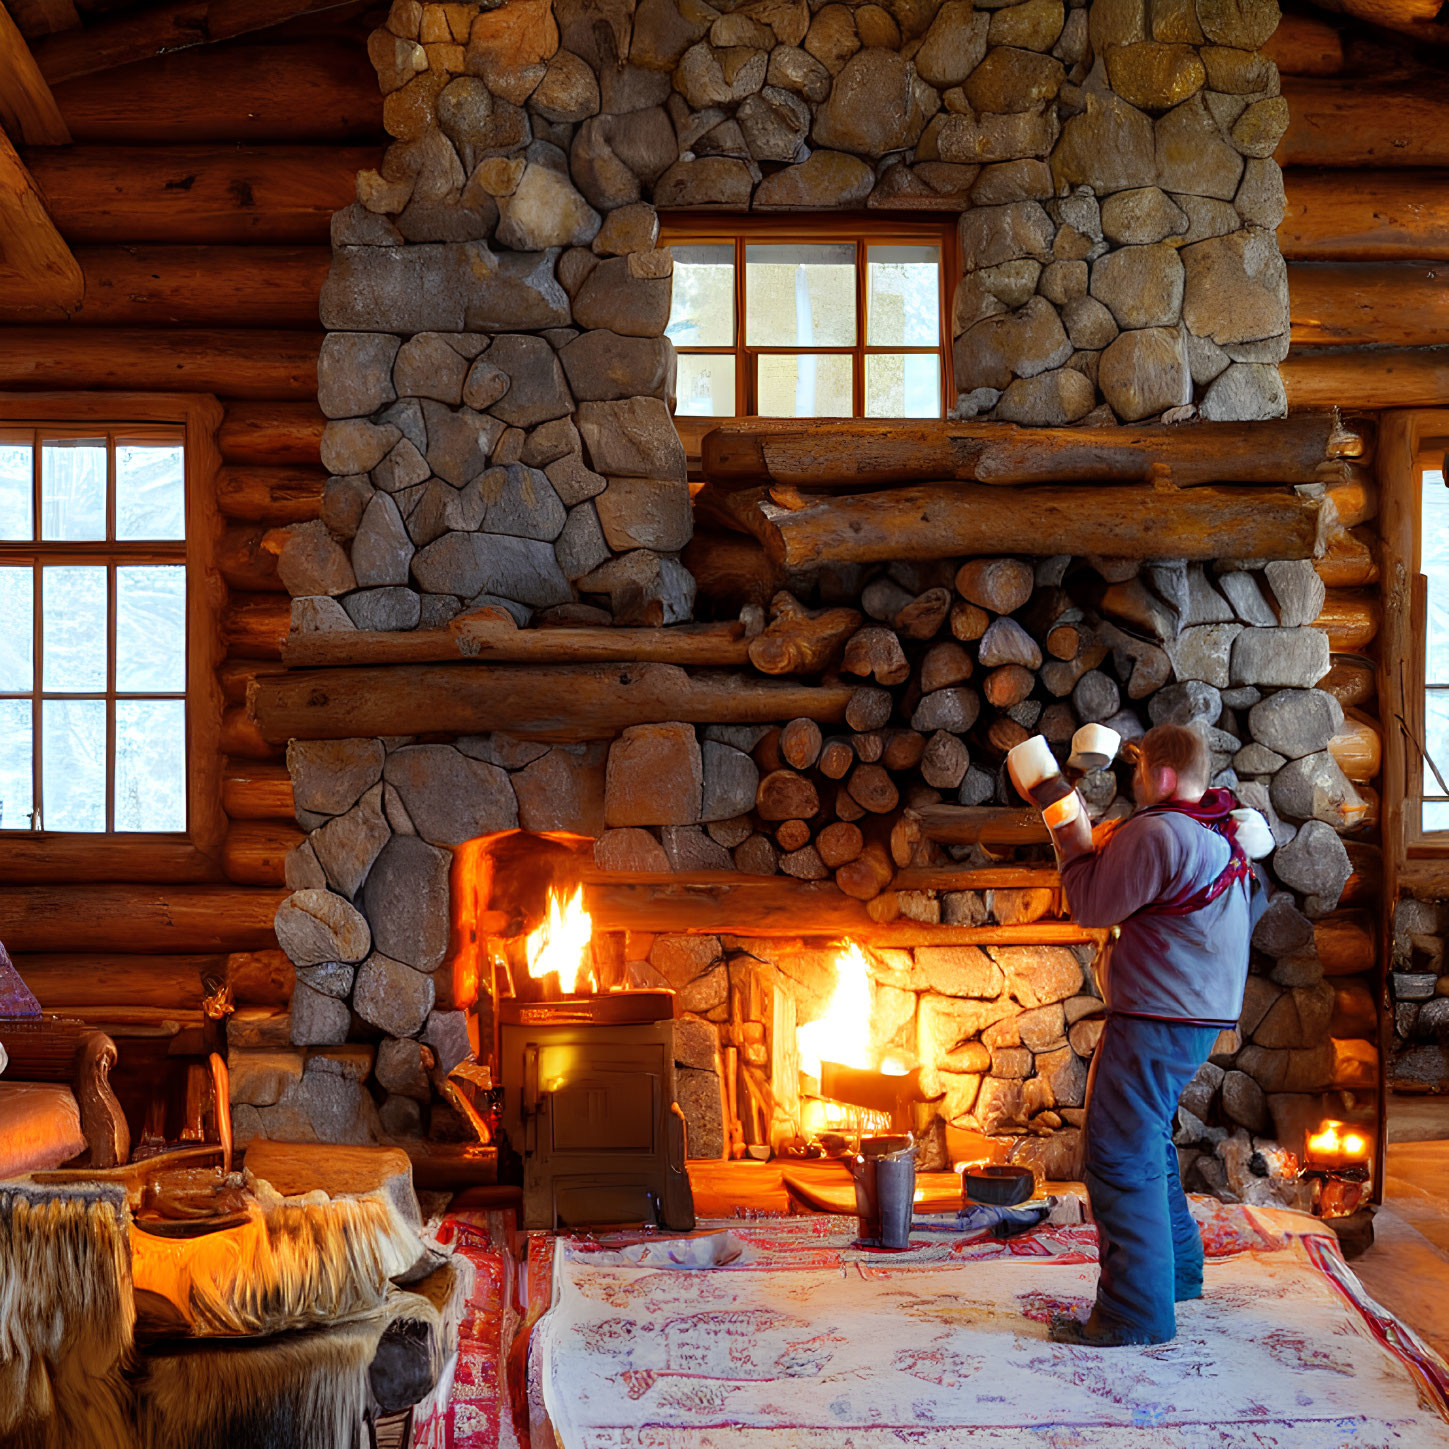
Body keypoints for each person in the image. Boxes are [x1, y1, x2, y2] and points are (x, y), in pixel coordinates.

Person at [1014, 722, 1263, 1347]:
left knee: (1118, 1156)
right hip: (1198, 1017)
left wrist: (1061, 816)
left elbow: (1090, 903)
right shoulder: (1221, 836)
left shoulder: (1158, 831)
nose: (1135, 783)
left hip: (1157, 1016)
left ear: (1165, 776)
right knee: (1146, 1143)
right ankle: (1175, 1275)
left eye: (1139, 772)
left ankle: (1133, 1313)